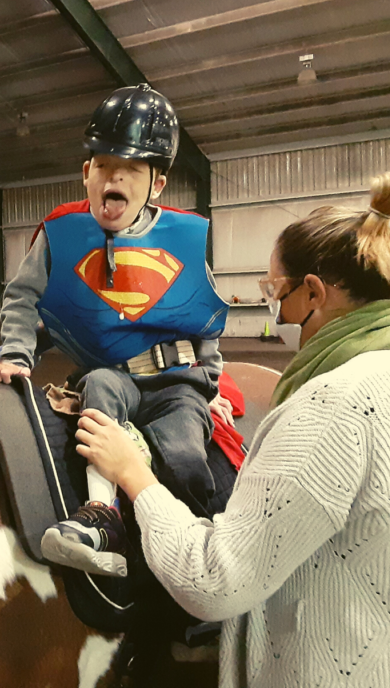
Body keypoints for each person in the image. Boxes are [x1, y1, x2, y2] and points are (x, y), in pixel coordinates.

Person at [73, 173, 390, 687]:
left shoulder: (329, 406)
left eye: (273, 290)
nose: (271, 304)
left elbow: (217, 581)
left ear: (312, 293)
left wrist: (132, 474)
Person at [0, 83, 230, 578]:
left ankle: (196, 551)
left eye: (131, 169)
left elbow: (203, 315)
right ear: (86, 173)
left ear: (157, 185)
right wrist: (15, 353)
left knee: (187, 460)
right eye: (103, 165)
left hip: (176, 381)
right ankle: (102, 514)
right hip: (113, 373)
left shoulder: (185, 237)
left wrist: (212, 387)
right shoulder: (59, 233)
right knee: (99, 389)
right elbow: (21, 296)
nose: (114, 176)